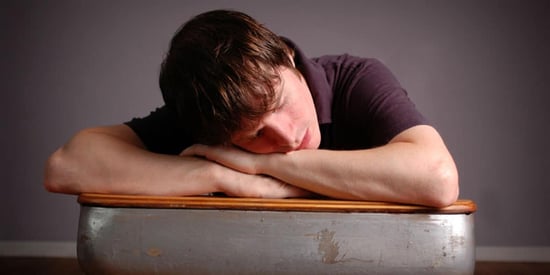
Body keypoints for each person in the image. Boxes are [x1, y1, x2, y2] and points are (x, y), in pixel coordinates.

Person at [44, 9, 458, 207]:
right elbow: (67, 165)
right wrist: (216, 173)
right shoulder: (212, 116)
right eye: (255, 136)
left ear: (288, 58)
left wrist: (263, 167)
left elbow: (437, 179)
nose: (287, 136)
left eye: (280, 102)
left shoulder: (356, 79)